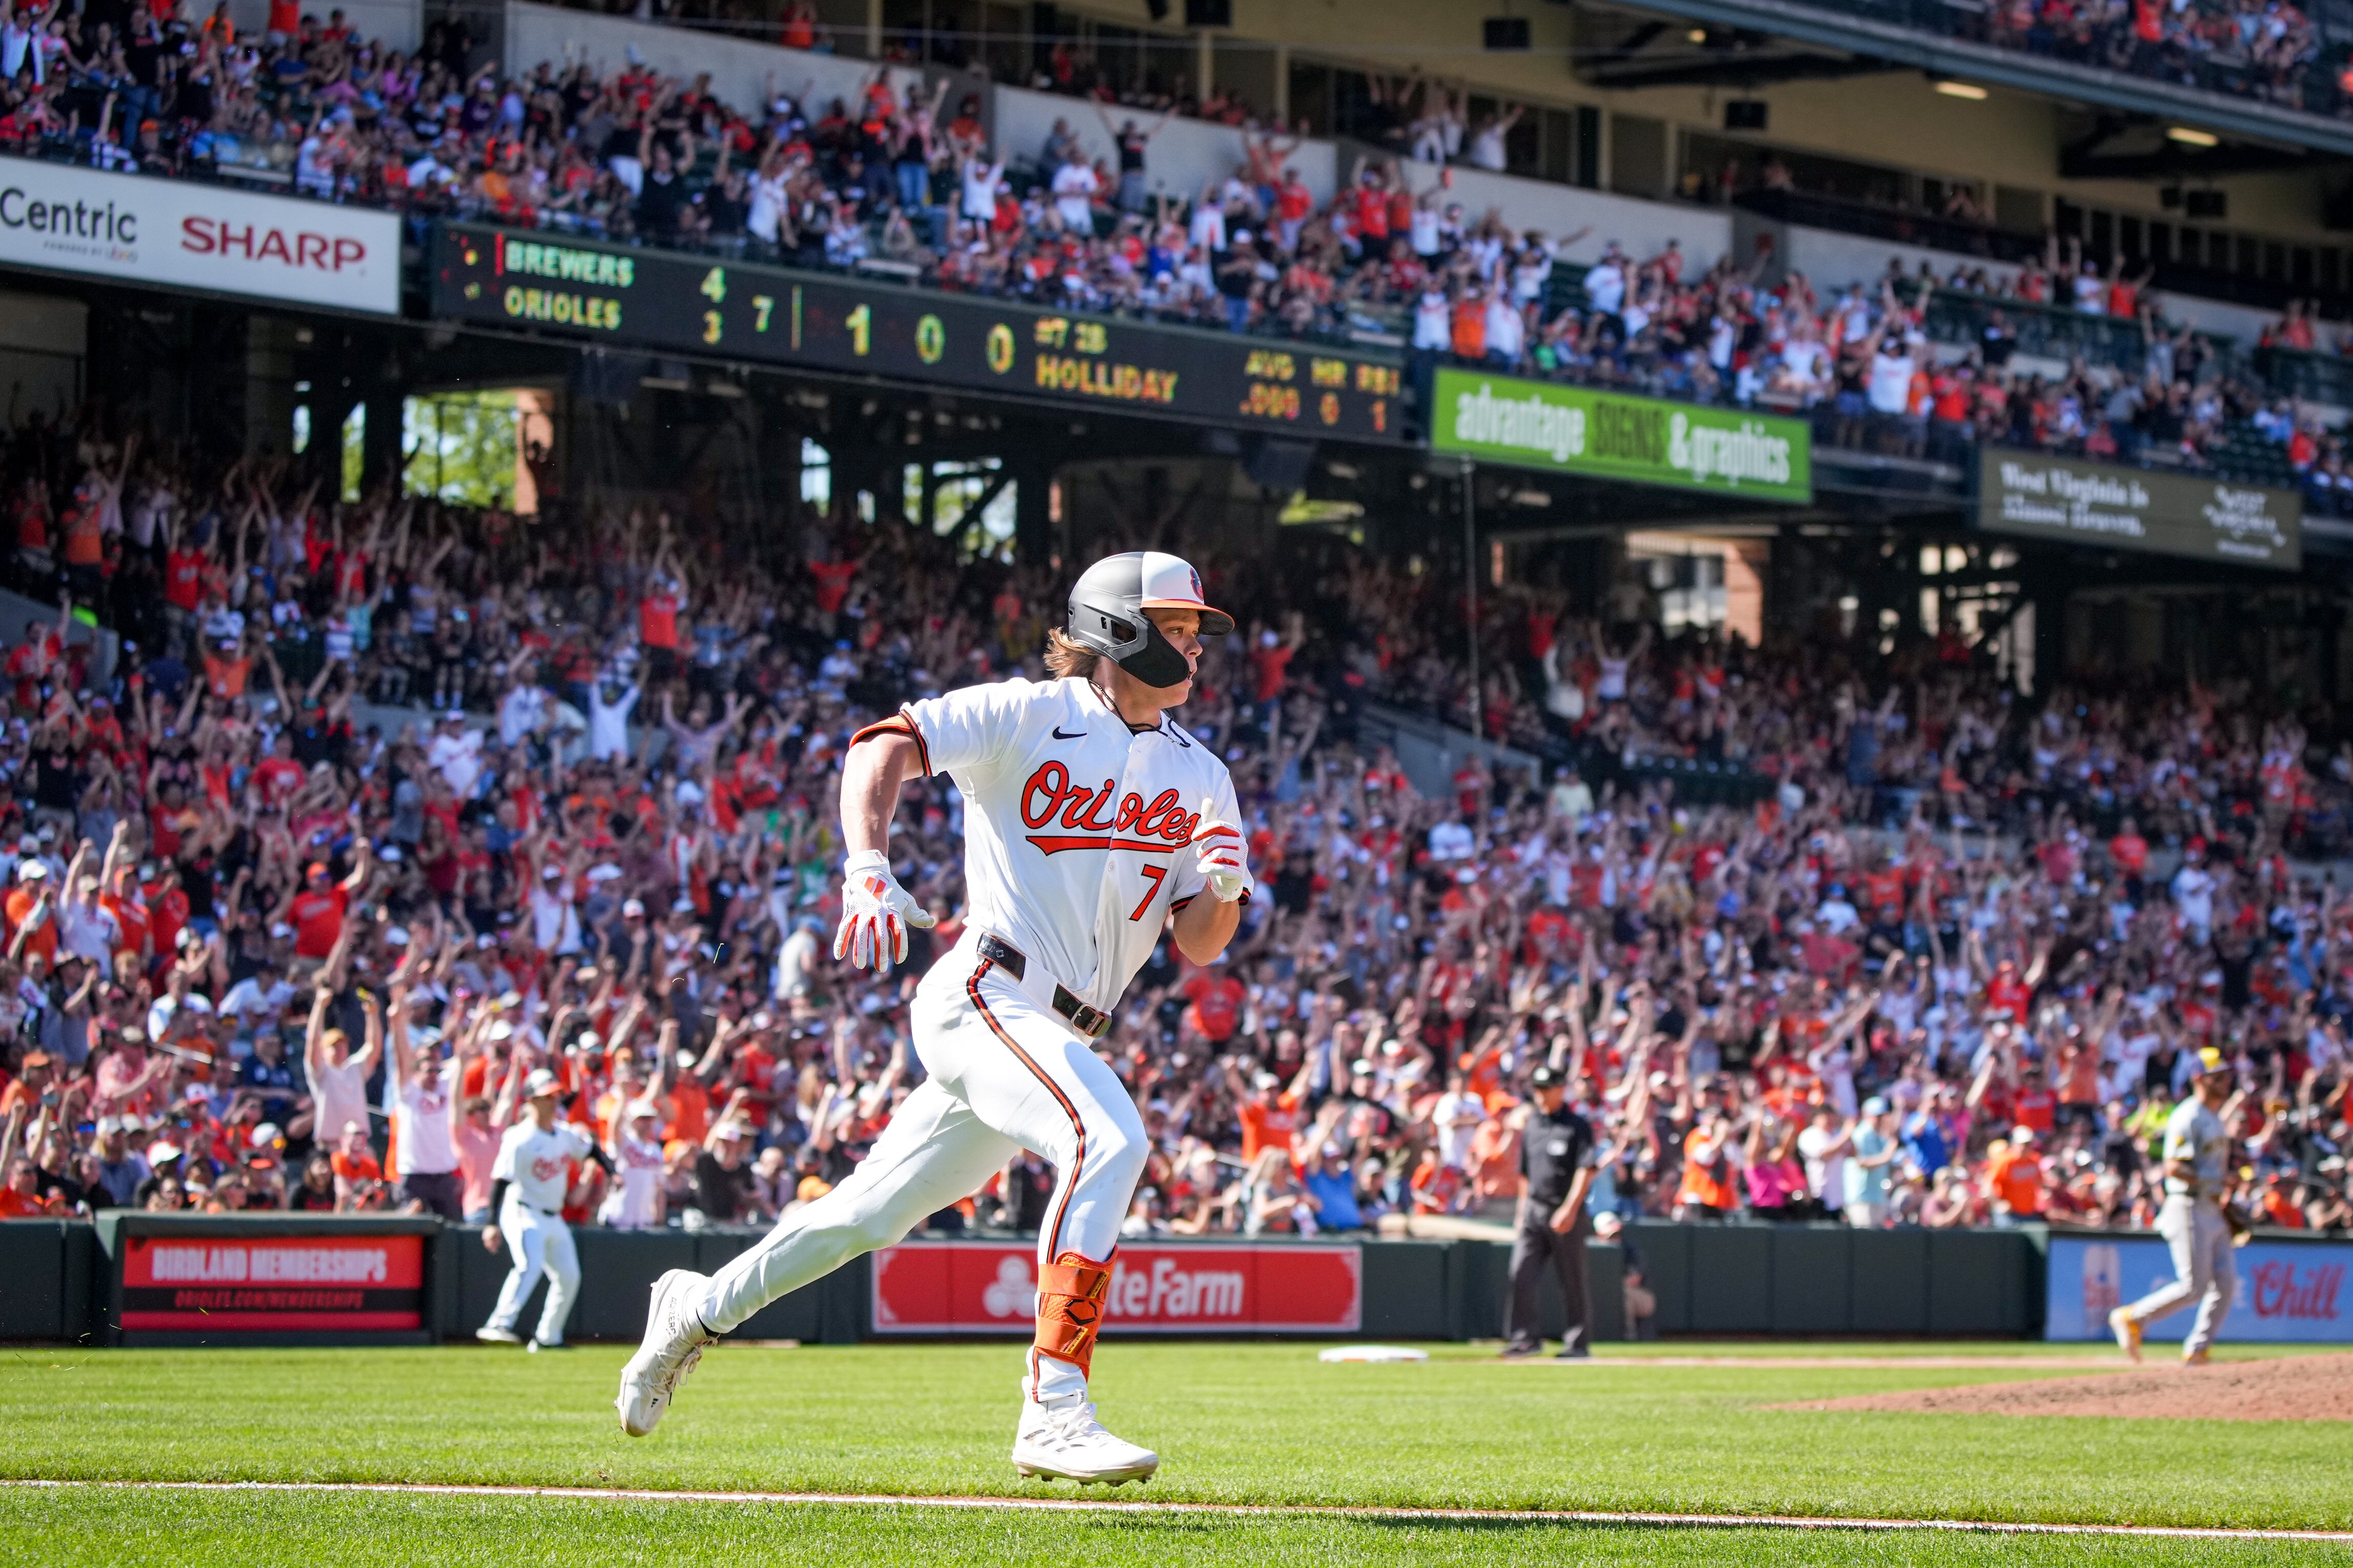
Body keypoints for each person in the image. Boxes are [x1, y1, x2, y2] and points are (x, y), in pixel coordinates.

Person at [615, 550, 1253, 1486]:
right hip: (987, 994)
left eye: (1199, 628)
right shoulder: (1030, 709)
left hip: (1059, 1030)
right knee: (1110, 1137)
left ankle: (692, 1310)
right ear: (1119, 626)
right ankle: (1054, 1403)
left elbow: (1201, 939)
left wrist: (1229, 879)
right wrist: (866, 867)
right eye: (1180, 625)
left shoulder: (1205, 773)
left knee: (861, 1217)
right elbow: (881, 745)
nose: (1197, 645)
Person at [2110, 1048, 2239, 1366]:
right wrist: (2217, 1179)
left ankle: (2198, 1349)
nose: (2226, 1081)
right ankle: (2132, 1318)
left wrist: (2225, 1182)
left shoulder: (2213, 1118)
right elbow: (2173, 1167)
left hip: (2212, 1208)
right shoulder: (2189, 1115)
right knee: (2194, 1287)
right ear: (2200, 1079)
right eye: (2218, 1077)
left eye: (2226, 1076)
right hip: (2188, 1206)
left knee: (2225, 1282)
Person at [479, 1067, 611, 1351]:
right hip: (523, 1210)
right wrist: (491, 1223)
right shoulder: (519, 1137)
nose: (553, 1102)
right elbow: (501, 1180)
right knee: (530, 1265)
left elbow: (591, 1150)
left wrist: (613, 1171)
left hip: (553, 1215)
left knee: (569, 1276)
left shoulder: (564, 1134)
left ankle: (547, 1337)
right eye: (546, 1097)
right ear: (531, 1101)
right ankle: (498, 1324)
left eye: (555, 1096)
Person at [1501, 1065, 1597, 1360]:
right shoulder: (1532, 1125)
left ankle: (1577, 1343)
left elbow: (1586, 1169)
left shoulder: (1576, 1125)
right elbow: (1525, 1174)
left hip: (1564, 1210)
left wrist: (1569, 1209)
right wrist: (1521, 1212)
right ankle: (1525, 1339)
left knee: (1572, 1280)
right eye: (1537, 1090)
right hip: (1534, 1210)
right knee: (1521, 1273)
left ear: (1560, 1089)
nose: (1541, 1095)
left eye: (1546, 1089)